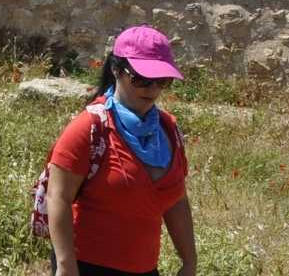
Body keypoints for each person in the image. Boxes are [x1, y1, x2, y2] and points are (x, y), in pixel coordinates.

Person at [44, 26, 197, 276]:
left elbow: (176, 199)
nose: (152, 89)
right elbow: (58, 197)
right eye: (141, 79)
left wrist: (189, 262)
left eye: (162, 80)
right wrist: (65, 265)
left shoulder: (169, 130)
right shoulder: (90, 128)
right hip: (87, 267)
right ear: (116, 70)